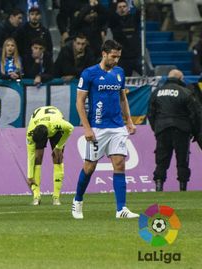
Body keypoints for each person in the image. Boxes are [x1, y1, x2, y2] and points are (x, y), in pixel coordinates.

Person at [72, 40, 139, 219]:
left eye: (118, 57)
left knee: (119, 164)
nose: (116, 60)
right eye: (113, 56)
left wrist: (129, 121)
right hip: (97, 128)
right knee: (89, 167)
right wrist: (86, 128)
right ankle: (77, 200)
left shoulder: (119, 73)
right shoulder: (89, 74)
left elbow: (122, 98)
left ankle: (121, 209)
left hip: (117, 127)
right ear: (104, 53)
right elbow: (79, 102)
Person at [147, 69, 202, 192]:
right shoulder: (186, 92)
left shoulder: (156, 92)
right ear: (180, 78)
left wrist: (156, 129)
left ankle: (159, 186)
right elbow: (195, 114)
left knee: (161, 160)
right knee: (182, 160)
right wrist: (195, 131)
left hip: (162, 129)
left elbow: (150, 113)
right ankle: (183, 188)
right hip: (182, 130)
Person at [26, 106, 74, 206]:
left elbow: (70, 128)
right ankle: (36, 196)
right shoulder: (30, 132)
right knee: (37, 158)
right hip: (39, 122)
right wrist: (30, 176)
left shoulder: (58, 124)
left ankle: (56, 197)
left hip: (54, 123)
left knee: (58, 157)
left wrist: (59, 146)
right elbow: (30, 154)